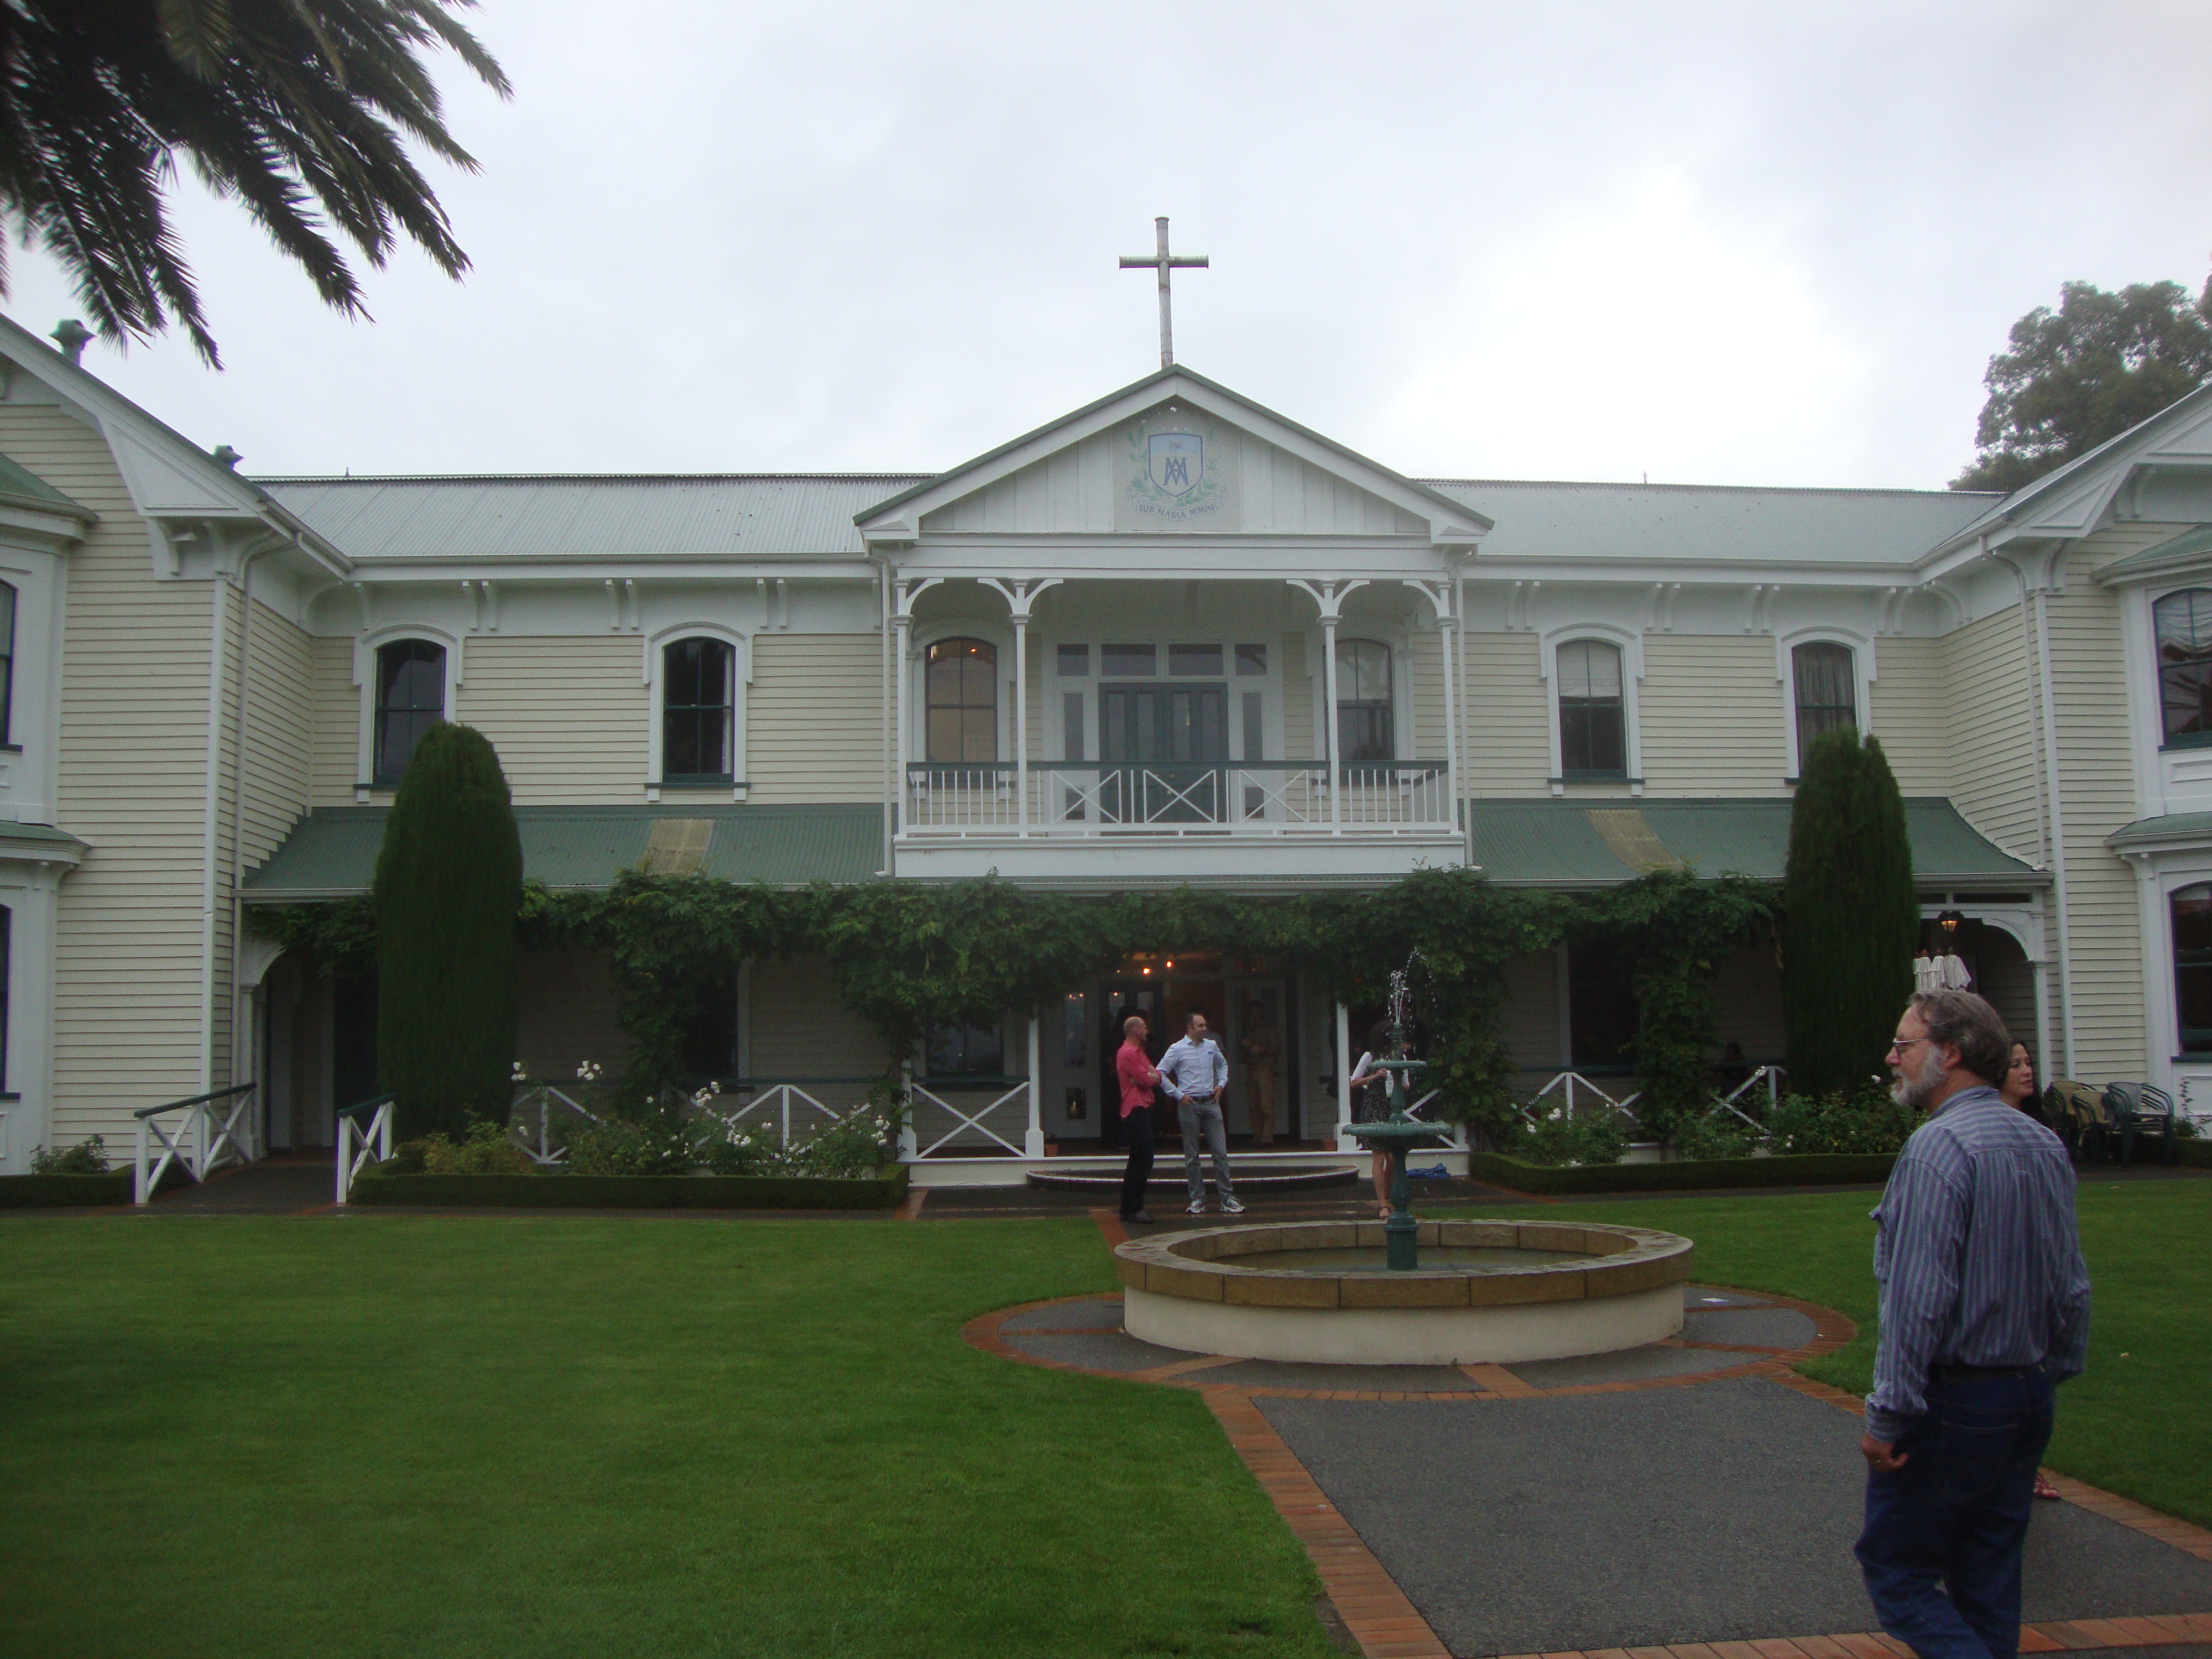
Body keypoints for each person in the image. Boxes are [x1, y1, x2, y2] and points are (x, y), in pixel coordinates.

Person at [1855, 990, 2092, 1659]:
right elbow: (2071, 1284)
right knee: (1987, 1583)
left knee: (1896, 1575)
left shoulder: (1937, 1150)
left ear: (1950, 1053)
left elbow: (1917, 1301)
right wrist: (2050, 1376)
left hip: (1954, 1403)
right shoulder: (2041, 1144)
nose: (1892, 1058)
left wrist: (1888, 1417)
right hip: (2024, 1395)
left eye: (1904, 1046)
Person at [1997, 1039, 2066, 1506]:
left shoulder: (2040, 1135)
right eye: (2015, 1064)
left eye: (2029, 1063)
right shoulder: (1975, 1132)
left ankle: (2027, 1463)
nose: (2027, 1071)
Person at [1160, 1012, 1243, 1216]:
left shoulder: (1211, 1046)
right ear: (1190, 1027)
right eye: (1200, 1026)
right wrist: (1178, 1095)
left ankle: (1227, 1198)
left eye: (1205, 1025)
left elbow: (1223, 1065)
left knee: (1220, 1153)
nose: (1205, 1029)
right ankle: (1198, 1199)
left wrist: (1221, 1085)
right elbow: (1160, 1073)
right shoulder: (1177, 1049)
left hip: (1211, 1102)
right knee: (1192, 1155)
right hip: (1190, 1105)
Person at [1114, 1015, 1166, 1224]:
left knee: (1137, 1159)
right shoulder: (1128, 1053)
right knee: (1144, 1159)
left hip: (1141, 1107)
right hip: (1136, 1108)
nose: (1147, 1031)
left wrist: (1150, 1076)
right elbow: (1148, 1079)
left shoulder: (1138, 1052)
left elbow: (1157, 1075)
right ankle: (1135, 1207)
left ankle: (1128, 1207)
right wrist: (1149, 1076)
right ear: (1136, 1031)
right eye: (1144, 1028)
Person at [1348, 1019, 1397, 1218]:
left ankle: (1385, 1195)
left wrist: (1396, 1079)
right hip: (1374, 1108)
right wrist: (1374, 1077)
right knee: (1379, 1157)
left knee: (1394, 1158)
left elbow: (1406, 1086)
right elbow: (1354, 1082)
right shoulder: (1370, 1056)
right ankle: (1382, 1204)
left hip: (1393, 1110)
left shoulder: (1398, 1057)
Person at [1239, 999, 1280, 1147]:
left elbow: (1276, 1050)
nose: (1253, 1015)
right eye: (1251, 1012)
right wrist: (1245, 1046)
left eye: (1255, 1011)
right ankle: (1256, 1136)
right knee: (1253, 1105)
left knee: (1266, 1105)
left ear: (1261, 1012)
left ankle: (1268, 1137)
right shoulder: (1249, 1029)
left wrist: (1262, 1049)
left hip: (1265, 1068)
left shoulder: (1269, 1029)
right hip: (1251, 1067)